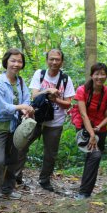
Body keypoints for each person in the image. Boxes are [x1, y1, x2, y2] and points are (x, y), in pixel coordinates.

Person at [0, 48, 34, 211]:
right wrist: (22, 107)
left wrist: (27, 109)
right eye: (13, 60)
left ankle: (7, 189)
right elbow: (3, 107)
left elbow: (27, 98)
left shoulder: (20, 82)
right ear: (6, 61)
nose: (16, 64)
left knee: (13, 159)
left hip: (14, 127)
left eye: (19, 61)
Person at [29, 49, 75, 192]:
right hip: (36, 118)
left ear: (62, 62)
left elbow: (68, 103)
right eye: (51, 59)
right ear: (47, 60)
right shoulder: (40, 74)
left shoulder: (66, 79)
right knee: (22, 145)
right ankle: (15, 175)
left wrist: (56, 100)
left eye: (57, 59)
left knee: (50, 153)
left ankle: (44, 180)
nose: (54, 62)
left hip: (56, 122)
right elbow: (34, 96)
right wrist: (48, 91)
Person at [72, 63, 107, 199]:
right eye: (97, 74)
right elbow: (83, 114)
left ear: (106, 76)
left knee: (93, 157)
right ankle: (84, 192)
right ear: (92, 75)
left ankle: (84, 189)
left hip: (100, 127)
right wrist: (91, 133)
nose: (100, 77)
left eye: (103, 74)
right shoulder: (82, 90)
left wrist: (98, 127)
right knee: (94, 155)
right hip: (83, 126)